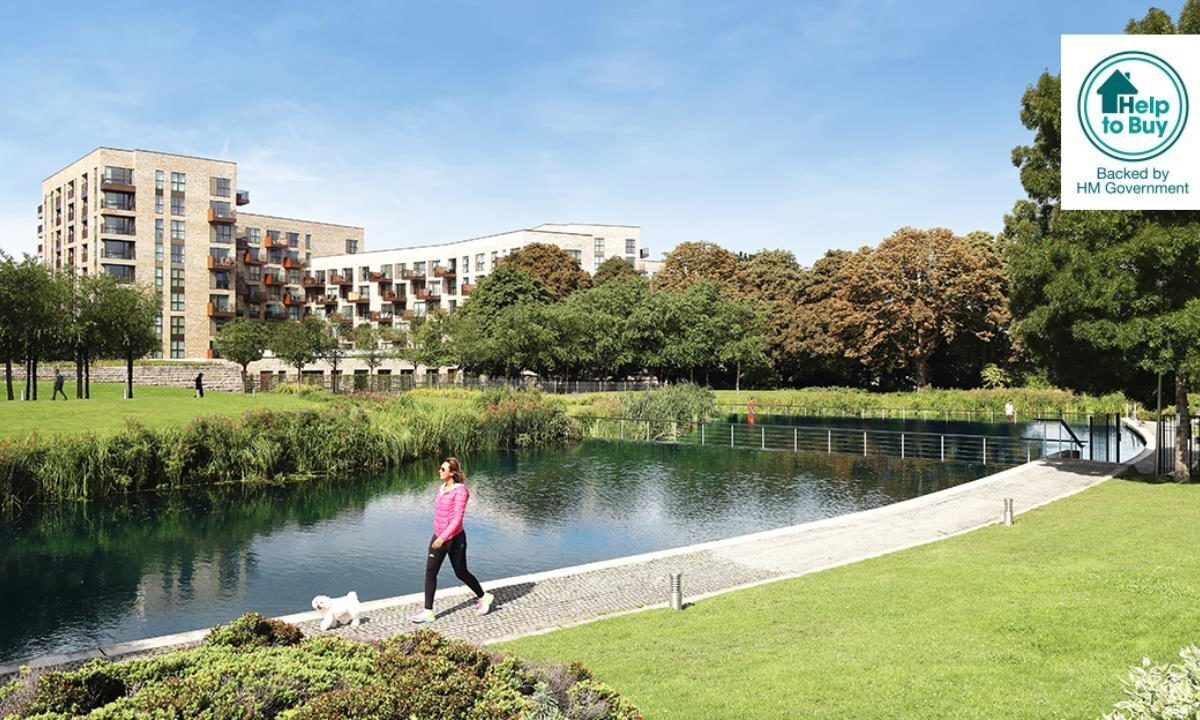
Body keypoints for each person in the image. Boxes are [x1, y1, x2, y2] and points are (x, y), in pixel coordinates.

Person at [410, 457, 494, 623]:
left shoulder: (461, 491)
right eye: (440, 468)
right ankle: (428, 611)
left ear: (452, 473)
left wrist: (443, 537)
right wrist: (438, 534)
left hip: (454, 538)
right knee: (430, 572)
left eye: (443, 469)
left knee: (460, 572)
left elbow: (456, 519)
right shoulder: (442, 488)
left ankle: (484, 596)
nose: (439, 471)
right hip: (438, 536)